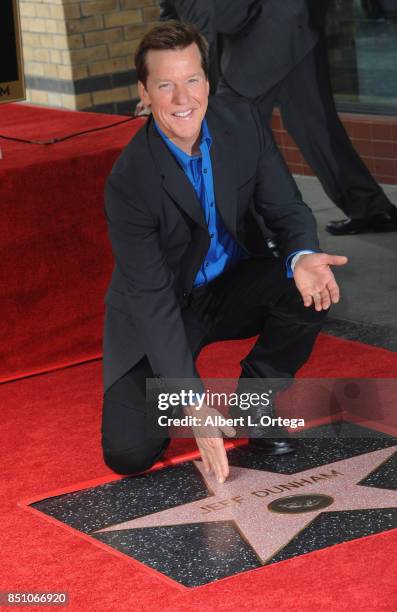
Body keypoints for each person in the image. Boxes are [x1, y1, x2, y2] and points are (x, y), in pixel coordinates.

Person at [102, 21, 347, 485]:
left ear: (208, 82)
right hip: (166, 308)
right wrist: (194, 404)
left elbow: (286, 207)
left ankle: (255, 404)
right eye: (166, 85)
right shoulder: (129, 180)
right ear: (144, 92)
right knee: (128, 454)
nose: (182, 99)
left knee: (312, 283)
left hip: (233, 286)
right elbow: (153, 301)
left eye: (192, 80)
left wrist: (302, 256)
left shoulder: (241, 122)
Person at [160, 0, 397, 235]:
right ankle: (371, 208)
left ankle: (266, 233)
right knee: (311, 122)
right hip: (281, 18)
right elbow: (172, 21)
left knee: (234, 124)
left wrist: (175, 88)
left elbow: (200, 31)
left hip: (275, 22)